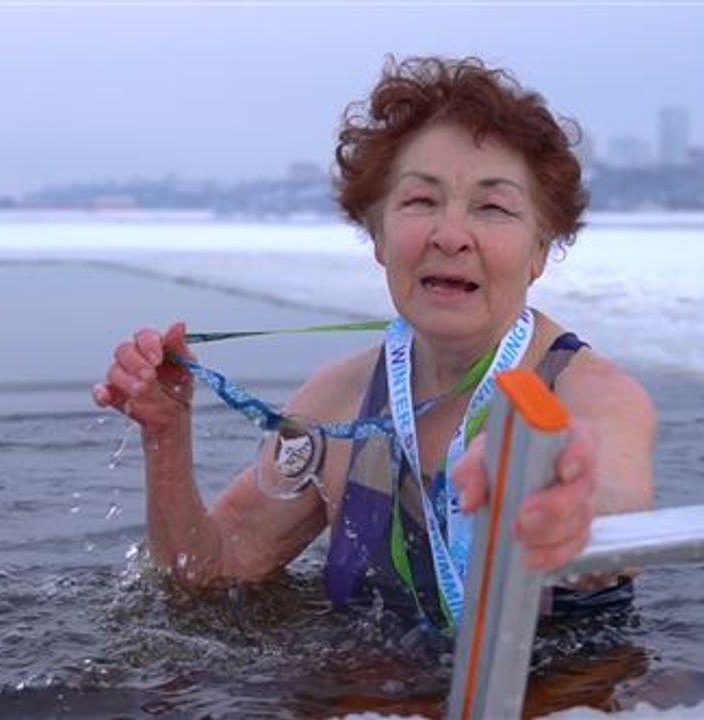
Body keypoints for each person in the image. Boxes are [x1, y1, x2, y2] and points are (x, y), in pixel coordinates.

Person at [92, 55, 656, 638]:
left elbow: (617, 508)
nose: (450, 235)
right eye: (420, 201)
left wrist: (565, 501)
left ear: (540, 250)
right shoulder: (336, 402)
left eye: (492, 207)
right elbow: (213, 571)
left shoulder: (593, 394)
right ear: (380, 236)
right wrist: (165, 437)